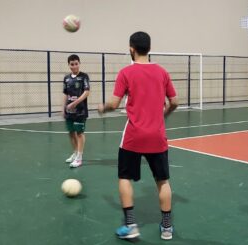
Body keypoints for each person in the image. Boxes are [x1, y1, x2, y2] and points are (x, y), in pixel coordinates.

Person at [98, 31, 178, 240]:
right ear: (149, 49)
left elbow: (114, 104)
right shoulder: (162, 72)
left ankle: (131, 224)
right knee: (163, 181)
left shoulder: (126, 73)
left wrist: (103, 108)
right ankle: (167, 228)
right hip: (157, 136)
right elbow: (175, 102)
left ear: (131, 48)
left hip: (133, 136)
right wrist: (164, 116)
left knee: (125, 177)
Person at [63, 54, 90, 168]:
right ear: (69, 65)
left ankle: (79, 157)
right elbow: (65, 93)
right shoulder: (66, 78)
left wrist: (75, 103)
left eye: (76, 64)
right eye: (72, 64)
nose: (74, 66)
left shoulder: (84, 77)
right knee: (71, 132)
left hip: (80, 111)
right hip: (69, 111)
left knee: (79, 133)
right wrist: (63, 108)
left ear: (79, 64)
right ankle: (75, 153)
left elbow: (87, 92)